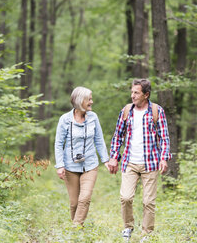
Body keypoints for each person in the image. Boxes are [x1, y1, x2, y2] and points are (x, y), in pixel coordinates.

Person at [107, 79, 172, 241]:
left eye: (136, 93)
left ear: (146, 95)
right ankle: (128, 228)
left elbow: (164, 138)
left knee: (148, 201)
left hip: (150, 163)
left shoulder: (157, 111)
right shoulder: (126, 111)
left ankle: (147, 233)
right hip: (129, 162)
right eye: (132, 92)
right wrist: (114, 157)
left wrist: (164, 158)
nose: (132, 96)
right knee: (126, 197)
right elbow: (117, 136)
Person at [54, 86, 109, 227]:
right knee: (74, 203)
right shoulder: (65, 119)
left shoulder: (93, 117)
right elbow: (59, 144)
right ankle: (78, 233)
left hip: (90, 165)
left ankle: (75, 229)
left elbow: (99, 140)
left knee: (84, 199)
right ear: (80, 101)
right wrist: (59, 165)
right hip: (70, 166)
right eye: (89, 99)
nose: (91, 102)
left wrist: (106, 160)